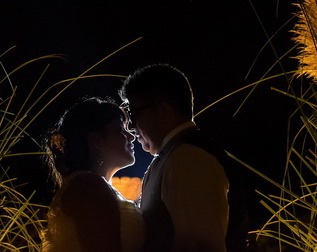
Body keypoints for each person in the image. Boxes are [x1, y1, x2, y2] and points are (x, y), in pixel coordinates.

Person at [120, 64, 249, 252]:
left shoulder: (188, 158)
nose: (130, 126)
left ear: (162, 111)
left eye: (133, 114)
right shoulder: (175, 155)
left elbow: (200, 245)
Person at [43, 97, 147, 252]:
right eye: (120, 130)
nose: (131, 136)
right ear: (96, 140)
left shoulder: (92, 185)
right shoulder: (88, 187)